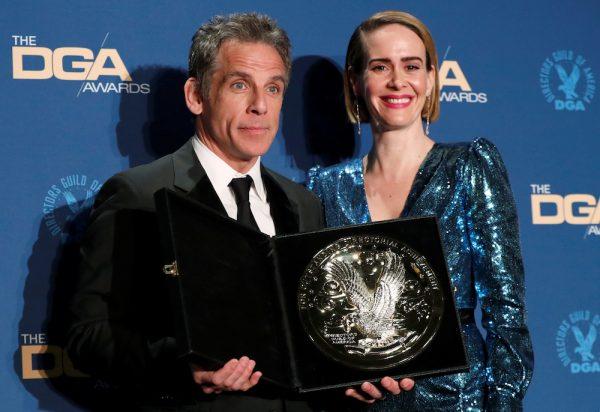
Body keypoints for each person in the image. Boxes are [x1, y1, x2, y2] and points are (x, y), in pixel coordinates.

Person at [66, 13, 411, 411]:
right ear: (196, 95)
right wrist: (182, 364)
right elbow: (88, 337)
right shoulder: (139, 194)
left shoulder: (302, 204)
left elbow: (306, 346)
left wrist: (348, 380)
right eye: (239, 85)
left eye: (274, 88)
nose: (260, 106)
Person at [307, 11, 534, 411]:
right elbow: (314, 319)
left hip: (454, 401)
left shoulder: (468, 166)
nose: (398, 81)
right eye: (380, 67)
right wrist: (336, 386)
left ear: (430, 78)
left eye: (411, 66)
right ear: (355, 82)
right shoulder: (325, 187)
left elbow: (507, 313)